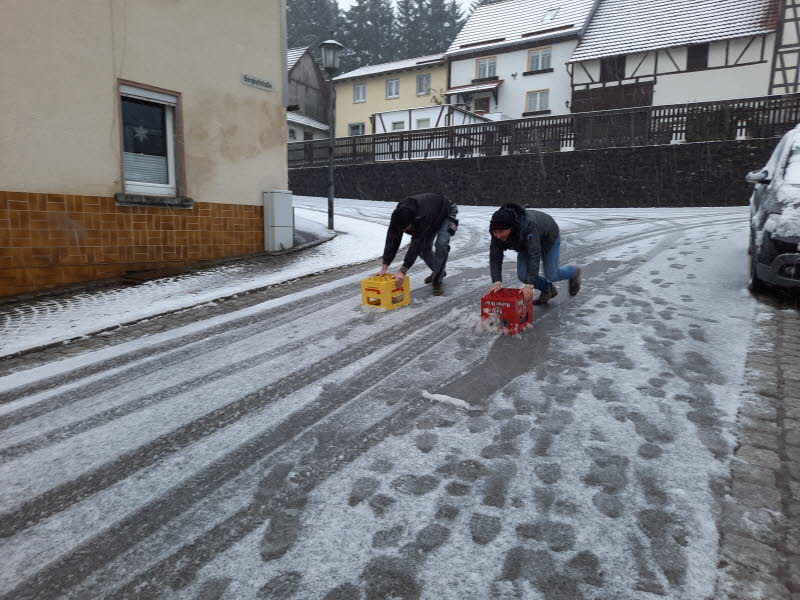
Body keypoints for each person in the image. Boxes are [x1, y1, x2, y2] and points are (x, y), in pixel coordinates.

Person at [488, 203, 581, 305]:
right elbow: (495, 257)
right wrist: (497, 282)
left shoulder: (528, 227)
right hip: (525, 241)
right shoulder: (497, 233)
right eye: (495, 232)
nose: (497, 236)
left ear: (511, 227)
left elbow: (534, 254)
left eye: (501, 231)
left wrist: (529, 286)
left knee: (552, 274)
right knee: (523, 275)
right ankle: (548, 289)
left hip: (548, 235)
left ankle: (573, 272)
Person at [377, 193, 458, 296]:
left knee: (441, 244)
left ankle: (437, 278)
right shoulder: (397, 216)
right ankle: (438, 271)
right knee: (424, 249)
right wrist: (385, 265)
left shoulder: (422, 215)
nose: (404, 231)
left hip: (446, 212)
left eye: (406, 229)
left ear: (412, 221)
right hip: (431, 218)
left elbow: (416, 243)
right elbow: (392, 239)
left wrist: (402, 270)